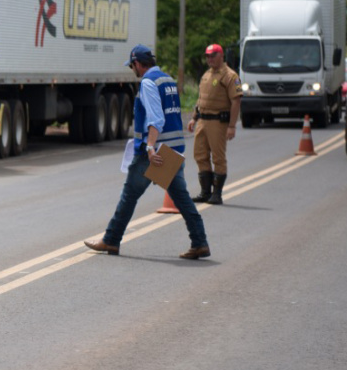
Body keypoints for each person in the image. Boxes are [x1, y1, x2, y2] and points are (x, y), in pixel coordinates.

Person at [85, 45, 210, 259]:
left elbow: (156, 118)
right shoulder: (167, 80)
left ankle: (111, 240)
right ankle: (200, 242)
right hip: (172, 150)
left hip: (154, 153)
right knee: (181, 198)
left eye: (132, 66)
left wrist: (150, 147)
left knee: (129, 196)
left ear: (137, 64)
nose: (132, 69)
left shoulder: (148, 82)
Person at [186, 43, 242, 205]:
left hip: (218, 121)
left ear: (221, 56)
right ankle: (205, 192)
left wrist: (232, 126)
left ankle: (217, 194)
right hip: (203, 120)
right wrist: (194, 117)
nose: (209, 59)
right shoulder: (207, 74)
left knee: (218, 157)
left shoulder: (230, 76)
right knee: (200, 155)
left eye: (213, 56)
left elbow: (236, 101)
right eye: (207, 56)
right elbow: (201, 98)